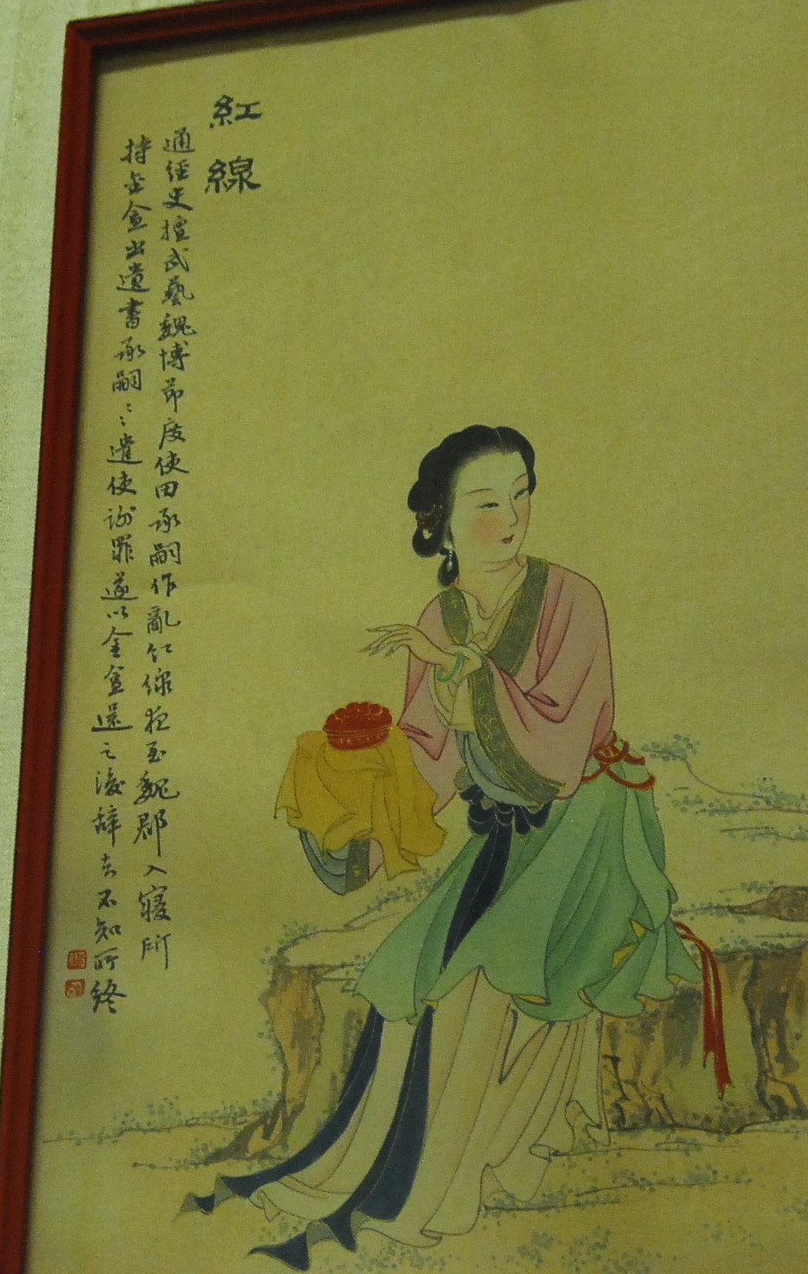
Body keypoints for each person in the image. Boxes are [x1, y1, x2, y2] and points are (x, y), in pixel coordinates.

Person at [186, 425, 700, 1270]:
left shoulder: (571, 598)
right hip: (505, 833)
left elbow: (563, 743)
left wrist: (465, 675)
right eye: (487, 502)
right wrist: (353, 800)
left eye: (522, 493)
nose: (512, 517)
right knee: (414, 982)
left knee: (480, 986)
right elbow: (431, 757)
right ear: (441, 521)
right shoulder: (441, 615)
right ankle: (356, 1182)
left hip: (587, 822)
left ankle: (426, 1198)